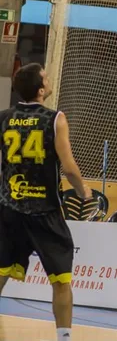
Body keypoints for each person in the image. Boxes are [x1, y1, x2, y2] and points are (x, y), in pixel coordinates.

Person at [0, 63, 92, 341]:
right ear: (40, 90)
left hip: (10, 208)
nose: (49, 80)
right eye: (45, 77)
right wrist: (83, 190)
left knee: (1, 272)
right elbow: (69, 167)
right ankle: (64, 337)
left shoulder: (4, 117)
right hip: (45, 211)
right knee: (62, 280)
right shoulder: (55, 118)